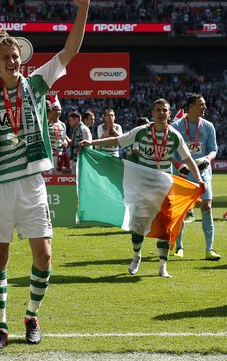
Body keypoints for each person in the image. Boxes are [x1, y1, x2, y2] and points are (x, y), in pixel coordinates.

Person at [0, 0, 90, 349]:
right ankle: (0, 326)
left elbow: (70, 50)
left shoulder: (37, 84)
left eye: (16, 56)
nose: (12, 61)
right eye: (5, 57)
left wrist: (83, 9)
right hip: (0, 187)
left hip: (32, 183)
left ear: (22, 60)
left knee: (45, 254)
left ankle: (32, 315)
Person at [80, 98, 204, 278]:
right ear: (153, 113)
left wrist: (199, 179)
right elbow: (118, 141)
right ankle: (137, 256)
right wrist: (92, 144)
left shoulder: (174, 135)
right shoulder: (141, 132)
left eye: (165, 110)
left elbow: (188, 159)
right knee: (138, 225)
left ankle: (162, 267)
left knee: (165, 227)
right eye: (158, 110)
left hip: (164, 187)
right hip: (143, 186)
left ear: (169, 114)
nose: (162, 113)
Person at [172, 93, 220, 260]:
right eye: (201, 104)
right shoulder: (176, 126)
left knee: (207, 207)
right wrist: (179, 165)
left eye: (204, 104)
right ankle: (179, 247)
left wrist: (207, 158)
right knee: (182, 211)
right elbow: (168, 151)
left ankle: (209, 249)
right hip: (182, 174)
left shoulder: (208, 126)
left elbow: (213, 149)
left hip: (203, 174)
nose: (205, 107)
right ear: (191, 106)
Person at [46, 95, 69, 174]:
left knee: (57, 179)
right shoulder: (45, 123)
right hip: (48, 155)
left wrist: (65, 142)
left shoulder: (63, 125)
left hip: (59, 156)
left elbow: (63, 138)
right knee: (48, 178)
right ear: (51, 111)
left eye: (59, 110)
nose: (57, 112)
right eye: (55, 110)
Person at [67, 110, 91, 175]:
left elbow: (89, 145)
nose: (69, 122)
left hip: (82, 161)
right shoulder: (75, 130)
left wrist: (78, 150)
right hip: (76, 160)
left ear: (77, 120)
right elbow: (73, 143)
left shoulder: (84, 129)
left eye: (70, 120)